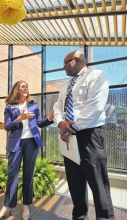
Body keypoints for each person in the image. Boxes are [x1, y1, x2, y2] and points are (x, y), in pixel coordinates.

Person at [53, 50, 114, 220]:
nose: (63, 66)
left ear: (78, 60)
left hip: (90, 135)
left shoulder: (96, 76)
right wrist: (60, 124)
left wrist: (71, 127)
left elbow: (95, 106)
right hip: (69, 136)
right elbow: (58, 106)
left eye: (66, 62)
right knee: (75, 182)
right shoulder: (65, 86)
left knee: (98, 183)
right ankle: (79, 216)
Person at [0, 80, 54, 220]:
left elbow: (39, 123)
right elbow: (7, 126)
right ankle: (6, 206)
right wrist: (19, 119)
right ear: (17, 89)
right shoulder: (9, 106)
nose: (26, 88)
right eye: (23, 86)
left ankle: (25, 206)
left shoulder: (33, 105)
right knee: (12, 175)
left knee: (28, 175)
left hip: (31, 143)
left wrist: (49, 119)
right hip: (16, 144)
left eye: (27, 86)